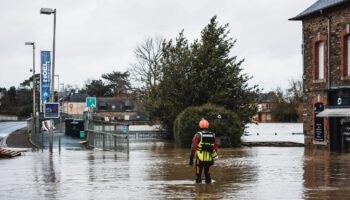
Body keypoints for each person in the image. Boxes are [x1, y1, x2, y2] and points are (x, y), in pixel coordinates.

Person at [189, 118, 218, 184]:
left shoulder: (198, 135)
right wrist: (213, 158)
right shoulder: (212, 135)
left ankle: (198, 192)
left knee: (198, 177)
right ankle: (209, 192)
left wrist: (191, 159)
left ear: (199, 126)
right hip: (209, 159)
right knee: (208, 177)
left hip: (199, 159)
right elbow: (215, 148)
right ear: (208, 126)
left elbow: (193, 148)